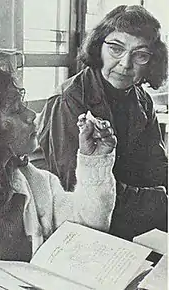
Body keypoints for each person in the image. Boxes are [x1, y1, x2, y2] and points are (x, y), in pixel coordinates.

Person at [0, 60, 116, 289]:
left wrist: (94, 160)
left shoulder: (35, 181)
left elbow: (88, 229)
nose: (32, 115)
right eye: (16, 110)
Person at [35, 5, 168, 240]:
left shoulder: (141, 98)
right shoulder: (70, 99)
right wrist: (161, 200)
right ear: (98, 47)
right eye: (116, 49)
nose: (125, 64)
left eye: (140, 55)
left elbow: (156, 165)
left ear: (151, 61)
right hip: (77, 226)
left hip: (132, 215)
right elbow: (75, 187)